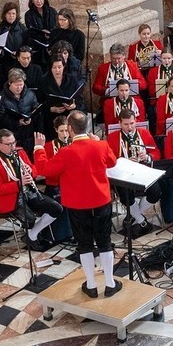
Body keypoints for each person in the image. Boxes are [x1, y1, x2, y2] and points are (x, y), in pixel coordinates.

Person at [33, 112, 119, 298]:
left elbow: (44, 169)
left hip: (77, 204)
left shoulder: (66, 152)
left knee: (84, 244)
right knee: (105, 242)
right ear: (87, 126)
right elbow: (112, 162)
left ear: (70, 129)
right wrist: (97, 140)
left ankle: (91, 285)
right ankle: (111, 284)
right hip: (101, 200)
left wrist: (39, 149)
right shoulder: (101, 145)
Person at [0, 129, 61, 251]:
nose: (13, 146)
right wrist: (19, 184)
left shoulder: (20, 152)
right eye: (8, 144)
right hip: (9, 198)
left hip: (28, 191)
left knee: (56, 208)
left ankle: (32, 235)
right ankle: (33, 236)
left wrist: (31, 172)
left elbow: (34, 169)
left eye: (14, 142)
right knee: (30, 218)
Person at [40, 56, 83, 140]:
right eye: (54, 67)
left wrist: (74, 105)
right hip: (51, 119)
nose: (57, 70)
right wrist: (51, 109)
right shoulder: (44, 80)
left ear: (64, 67)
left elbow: (79, 99)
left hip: (68, 117)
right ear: (50, 68)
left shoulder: (71, 79)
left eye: (59, 67)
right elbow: (39, 101)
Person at [0, 69, 40, 154]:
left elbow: (37, 111)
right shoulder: (1, 97)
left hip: (29, 137)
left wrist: (31, 118)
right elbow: (0, 119)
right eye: (16, 85)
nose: (19, 87)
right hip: (12, 138)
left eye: (21, 84)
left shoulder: (30, 94)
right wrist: (17, 122)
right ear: (10, 83)